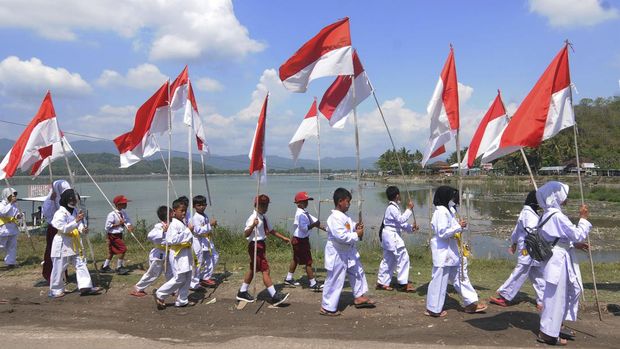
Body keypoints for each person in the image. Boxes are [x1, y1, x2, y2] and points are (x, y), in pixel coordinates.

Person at [536, 181, 591, 346]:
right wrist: (583, 218)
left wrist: (574, 245)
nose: (566, 197)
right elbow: (577, 234)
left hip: (555, 258)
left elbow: (557, 239)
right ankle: (547, 333)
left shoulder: (546, 214)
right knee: (555, 297)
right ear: (556, 196)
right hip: (558, 261)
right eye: (563, 194)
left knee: (557, 295)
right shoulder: (557, 216)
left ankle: (553, 327)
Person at [425, 186, 487, 317]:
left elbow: (454, 228)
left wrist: (461, 226)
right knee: (439, 280)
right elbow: (442, 233)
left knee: (460, 276)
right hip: (443, 251)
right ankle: (433, 309)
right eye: (451, 195)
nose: (454, 198)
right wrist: (458, 227)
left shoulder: (449, 210)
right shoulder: (441, 212)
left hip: (452, 250)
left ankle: (470, 303)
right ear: (445, 196)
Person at [320, 187, 374, 316]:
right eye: (347, 202)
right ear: (340, 201)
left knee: (357, 271)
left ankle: (359, 296)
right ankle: (327, 306)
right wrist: (357, 234)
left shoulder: (344, 216)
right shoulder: (334, 218)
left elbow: (348, 225)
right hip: (337, 252)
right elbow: (342, 236)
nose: (349, 205)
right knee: (335, 279)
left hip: (348, 252)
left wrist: (355, 226)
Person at [490, 190, 545, 309]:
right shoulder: (527, 213)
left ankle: (542, 300)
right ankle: (505, 296)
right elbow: (530, 229)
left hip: (534, 247)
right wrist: (514, 243)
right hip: (528, 247)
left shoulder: (532, 212)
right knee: (522, 270)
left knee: (537, 274)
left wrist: (514, 242)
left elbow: (517, 230)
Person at [236, 194, 290, 306]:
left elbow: (271, 231)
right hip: (255, 245)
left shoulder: (263, 217)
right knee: (265, 270)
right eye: (263, 205)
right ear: (257, 205)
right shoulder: (253, 218)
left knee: (253, 269)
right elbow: (245, 233)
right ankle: (274, 295)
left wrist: (283, 238)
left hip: (261, 245)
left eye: (266, 205)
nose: (266, 207)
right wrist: (252, 226)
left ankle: (242, 291)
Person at [48, 189, 101, 298]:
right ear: (66, 199)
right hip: (63, 244)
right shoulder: (60, 213)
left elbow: (80, 224)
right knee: (59, 267)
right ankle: (55, 290)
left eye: (75, 200)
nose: (73, 202)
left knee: (81, 264)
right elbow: (63, 229)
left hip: (75, 243)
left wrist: (83, 229)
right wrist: (76, 221)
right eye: (71, 199)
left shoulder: (76, 211)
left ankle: (85, 286)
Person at [376, 186, 418, 292]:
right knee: (403, 258)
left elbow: (400, 224)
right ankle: (403, 283)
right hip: (392, 236)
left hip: (390, 235)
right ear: (397, 195)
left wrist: (411, 228)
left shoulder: (394, 207)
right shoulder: (391, 208)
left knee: (389, 259)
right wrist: (409, 209)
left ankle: (382, 282)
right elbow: (400, 220)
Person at [154, 198, 194, 309]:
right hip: (178, 254)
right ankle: (160, 294)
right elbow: (171, 240)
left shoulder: (183, 222)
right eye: (181, 211)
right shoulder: (173, 224)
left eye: (185, 211)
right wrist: (187, 231)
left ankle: (182, 300)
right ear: (174, 211)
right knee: (179, 278)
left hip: (186, 253)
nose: (184, 213)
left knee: (188, 277)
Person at [130, 206, 173, 297]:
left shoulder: (173, 225)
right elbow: (150, 236)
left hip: (170, 252)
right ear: (168, 215)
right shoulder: (159, 226)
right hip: (159, 253)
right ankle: (138, 288)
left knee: (170, 272)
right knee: (154, 272)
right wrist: (163, 232)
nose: (174, 214)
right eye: (172, 213)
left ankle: (172, 288)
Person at [285, 191, 324, 290]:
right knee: (308, 261)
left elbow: (316, 222)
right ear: (299, 203)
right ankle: (312, 283)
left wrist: (328, 229)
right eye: (305, 201)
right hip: (300, 240)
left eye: (307, 201)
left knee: (296, 259)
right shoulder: (301, 214)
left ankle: (289, 278)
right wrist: (314, 225)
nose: (307, 203)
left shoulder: (304, 213)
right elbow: (304, 228)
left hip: (300, 239)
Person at [42, 180, 71, 283]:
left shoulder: (66, 199)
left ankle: (63, 275)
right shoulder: (50, 199)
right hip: (54, 229)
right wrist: (51, 200)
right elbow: (46, 213)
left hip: (66, 228)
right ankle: (51, 275)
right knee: (54, 252)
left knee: (65, 252)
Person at [189, 195, 219, 290]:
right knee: (198, 262)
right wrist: (210, 225)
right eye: (199, 205)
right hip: (198, 242)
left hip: (207, 241)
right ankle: (193, 283)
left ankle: (205, 277)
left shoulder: (204, 215)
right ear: (194, 206)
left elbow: (205, 229)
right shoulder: (195, 217)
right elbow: (198, 230)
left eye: (203, 205)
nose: (202, 207)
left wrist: (210, 226)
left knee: (214, 257)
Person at [102, 195, 133, 275]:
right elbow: (107, 227)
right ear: (118, 204)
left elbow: (127, 220)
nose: (126, 205)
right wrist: (118, 224)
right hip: (113, 235)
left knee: (111, 252)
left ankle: (105, 266)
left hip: (119, 234)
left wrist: (129, 225)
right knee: (123, 249)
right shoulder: (112, 215)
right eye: (124, 203)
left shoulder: (123, 212)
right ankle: (119, 267)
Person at [0, 188, 21, 268]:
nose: (14, 197)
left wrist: (18, 216)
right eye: (12, 195)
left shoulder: (15, 205)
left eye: (15, 195)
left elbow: (16, 214)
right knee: (1, 246)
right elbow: (3, 212)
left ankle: (10, 262)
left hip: (13, 228)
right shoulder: (2, 204)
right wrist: (11, 203)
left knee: (12, 246)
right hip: (3, 228)